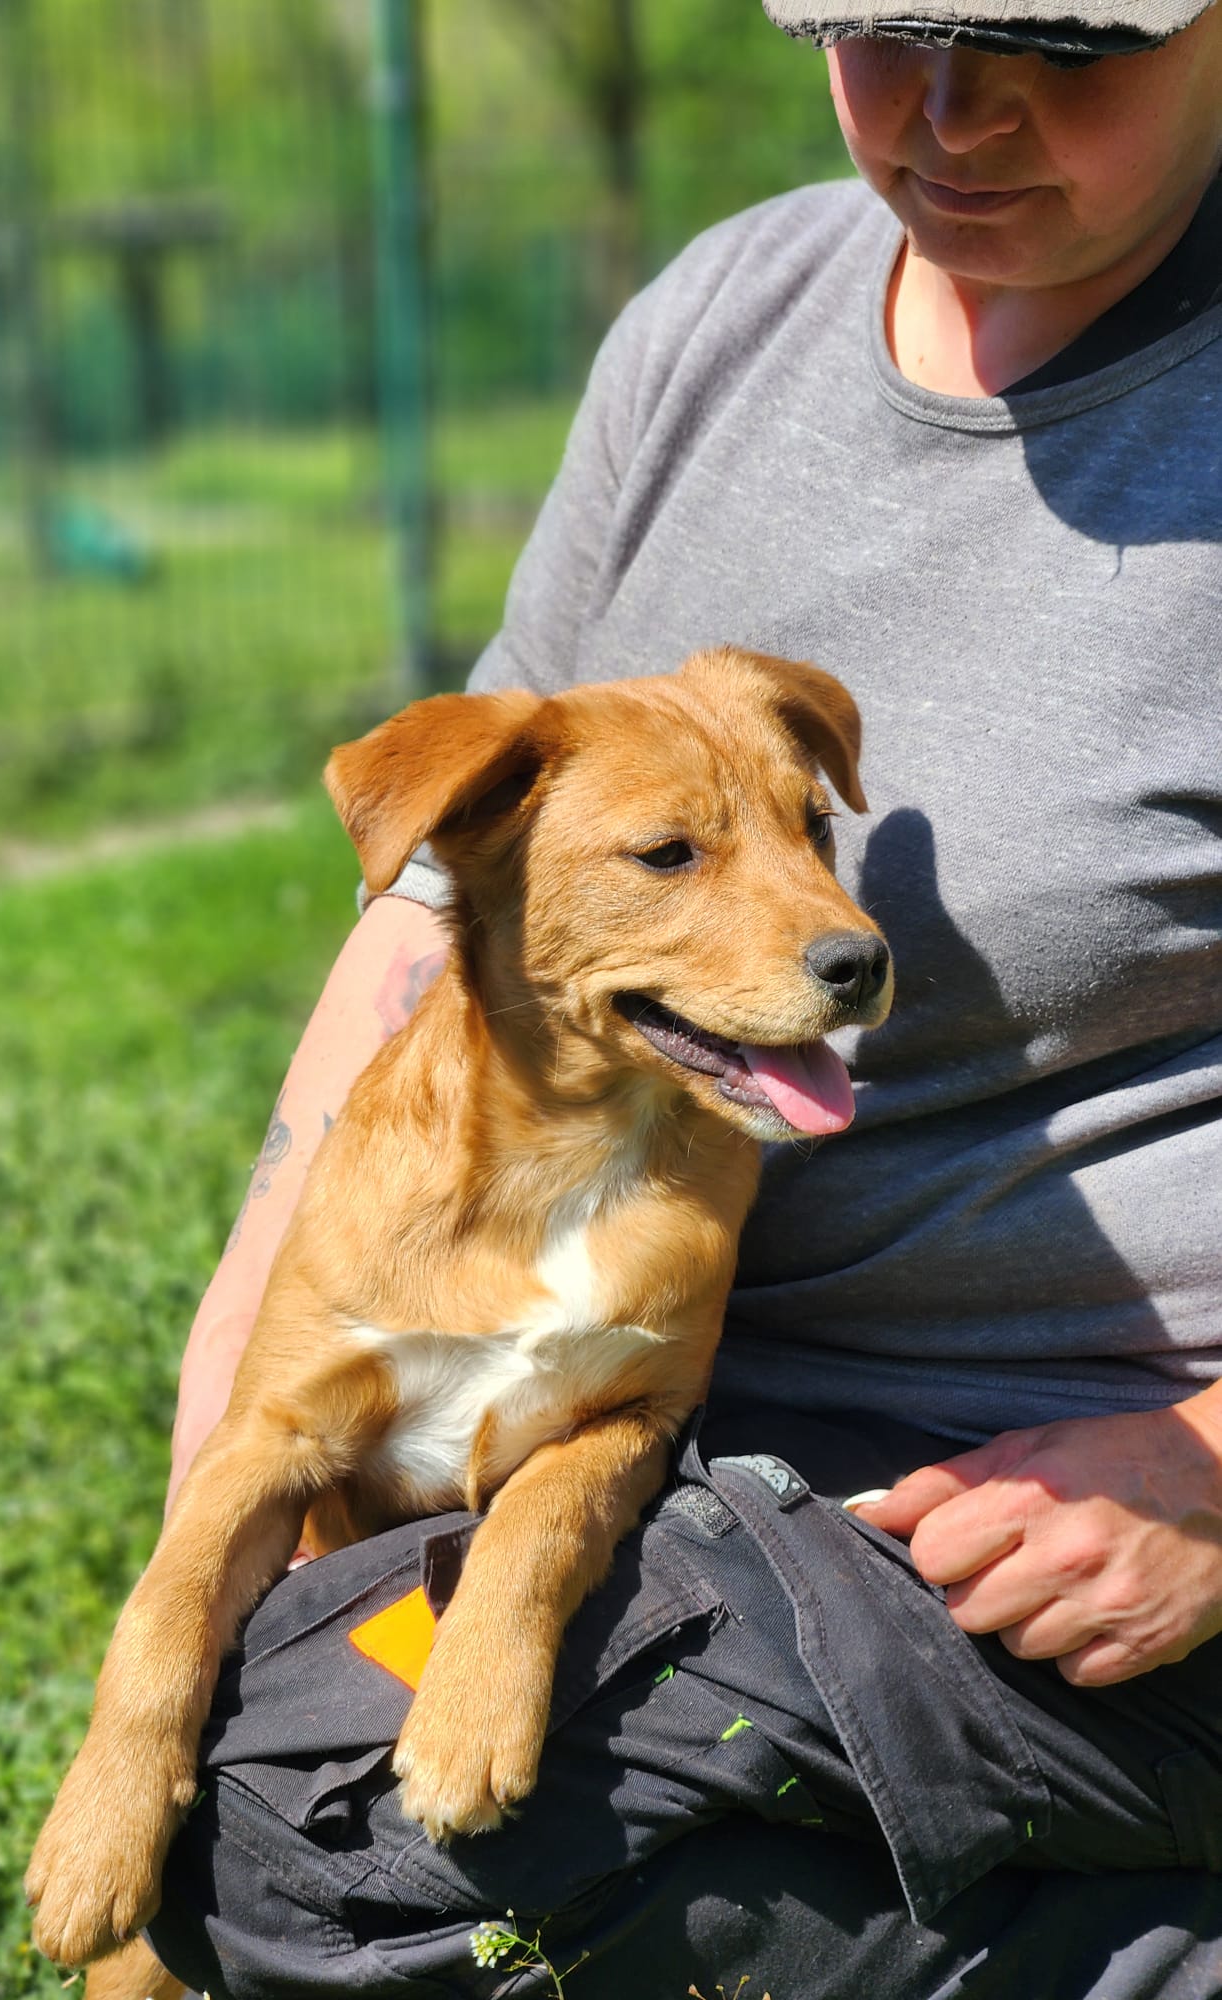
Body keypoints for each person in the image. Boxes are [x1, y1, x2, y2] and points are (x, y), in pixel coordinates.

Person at [147, 2, 1222, 1992]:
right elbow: (444, 882)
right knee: (255, 1724)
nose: (954, 114)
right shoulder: (731, 313)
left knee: (328, 1837)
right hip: (675, 1429)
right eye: (882, 33)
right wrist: (246, 1372)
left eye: (1060, 46)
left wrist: (1211, 1468)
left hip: (1082, 1529)